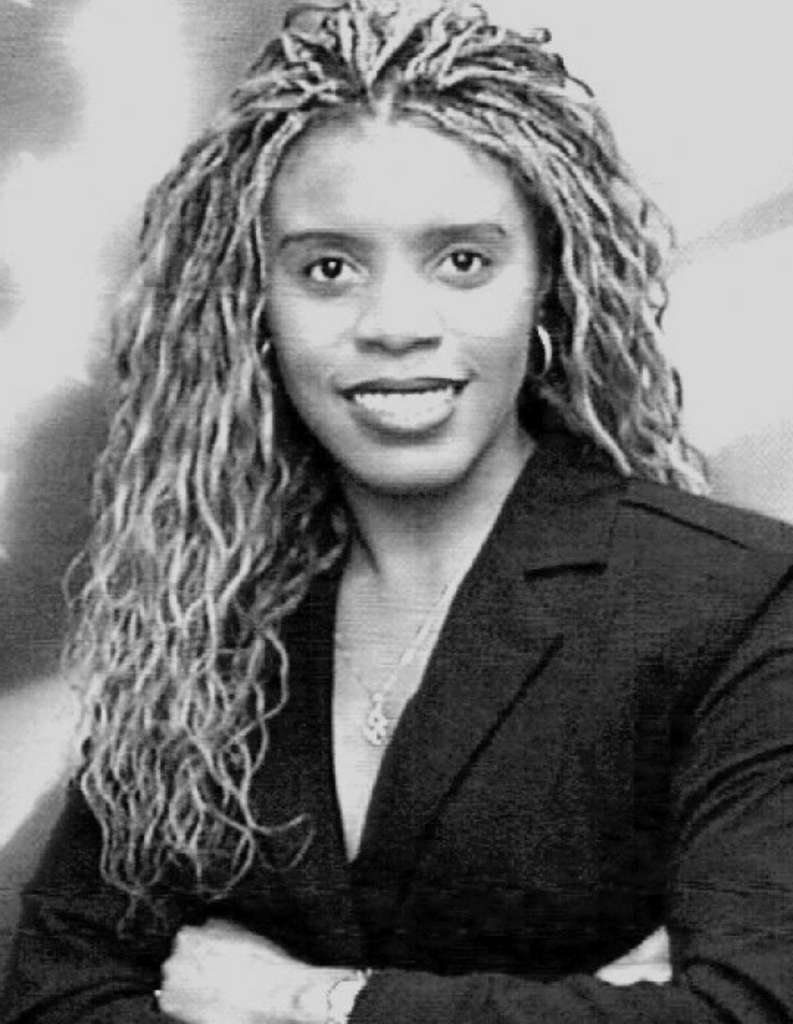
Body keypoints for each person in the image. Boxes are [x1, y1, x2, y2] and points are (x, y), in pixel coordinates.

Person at [3, 0, 793, 1021]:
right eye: (328, 268)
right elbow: (54, 997)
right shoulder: (203, 621)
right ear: (255, 307)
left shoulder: (735, 600)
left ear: (546, 287)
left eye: (462, 260)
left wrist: (308, 1003)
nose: (394, 324)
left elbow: (746, 1011)